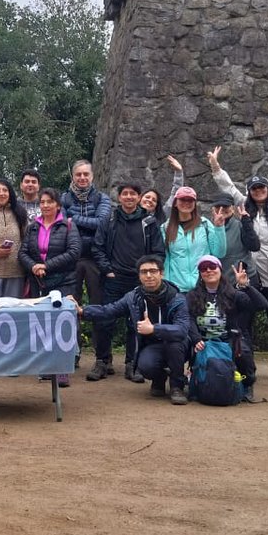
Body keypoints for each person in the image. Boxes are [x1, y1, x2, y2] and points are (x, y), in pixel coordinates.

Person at [208, 147, 268, 378]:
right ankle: (247, 359)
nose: (258, 191)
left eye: (261, 187)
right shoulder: (243, 207)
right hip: (247, 273)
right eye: (254, 188)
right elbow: (227, 187)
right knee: (247, 320)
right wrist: (216, 166)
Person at [78, 255, 192, 404]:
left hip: (177, 344)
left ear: (161, 273)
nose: (149, 275)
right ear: (139, 275)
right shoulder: (133, 297)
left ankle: (177, 386)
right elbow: (109, 311)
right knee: (144, 367)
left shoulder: (177, 298)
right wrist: (82, 311)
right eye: (144, 272)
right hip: (152, 345)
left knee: (174, 345)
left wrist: (154, 329)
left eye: (153, 271)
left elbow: (182, 330)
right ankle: (159, 378)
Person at [91, 183, 166, 383]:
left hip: (139, 281)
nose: (129, 197)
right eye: (125, 194)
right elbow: (97, 248)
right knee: (105, 320)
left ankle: (132, 364)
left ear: (139, 197)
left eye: (133, 194)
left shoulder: (149, 222)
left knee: (136, 323)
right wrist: (107, 269)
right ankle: (102, 361)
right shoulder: (109, 219)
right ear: (120, 197)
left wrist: (149, 273)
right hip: (114, 279)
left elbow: (158, 251)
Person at [18, 188, 80, 386]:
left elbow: (74, 252)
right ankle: (46, 367)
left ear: (58, 205)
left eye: (49, 202)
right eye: (42, 202)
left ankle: (62, 370)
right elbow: (23, 252)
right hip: (39, 282)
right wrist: (33, 266)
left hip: (63, 281)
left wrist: (47, 266)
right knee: (42, 325)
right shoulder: (32, 227)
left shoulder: (68, 225)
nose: (45, 205)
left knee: (63, 325)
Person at [186, 255, 267, 403]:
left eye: (212, 267)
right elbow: (188, 319)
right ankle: (191, 383)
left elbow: (262, 305)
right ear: (200, 273)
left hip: (228, 339)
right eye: (204, 268)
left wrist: (246, 286)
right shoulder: (192, 295)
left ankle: (247, 383)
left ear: (220, 270)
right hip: (203, 341)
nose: (208, 270)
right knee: (181, 345)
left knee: (242, 350)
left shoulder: (233, 294)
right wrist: (196, 338)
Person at [60, 159, 112, 309]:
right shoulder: (64, 198)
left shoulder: (102, 198)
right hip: (71, 257)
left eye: (86, 174)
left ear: (92, 176)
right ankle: (72, 333)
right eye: (78, 174)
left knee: (98, 302)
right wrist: (89, 222)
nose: (82, 177)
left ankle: (98, 333)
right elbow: (63, 225)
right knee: (70, 303)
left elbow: (101, 223)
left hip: (95, 256)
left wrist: (74, 218)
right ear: (73, 177)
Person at [162, 185, 228, 293]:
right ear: (175, 203)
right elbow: (165, 258)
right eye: (183, 199)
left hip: (203, 285)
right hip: (176, 288)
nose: (186, 203)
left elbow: (219, 253)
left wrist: (219, 228)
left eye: (190, 200)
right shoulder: (165, 228)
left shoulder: (205, 224)